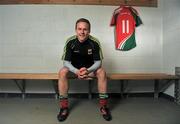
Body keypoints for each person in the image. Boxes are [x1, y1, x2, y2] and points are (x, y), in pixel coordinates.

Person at [57, 18, 112, 122]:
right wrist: (76, 71)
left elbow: (98, 63)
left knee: (102, 72)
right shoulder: (70, 42)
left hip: (90, 69)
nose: (82, 32)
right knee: (62, 71)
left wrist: (87, 70)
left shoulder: (94, 42)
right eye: (79, 29)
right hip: (74, 70)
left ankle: (104, 107)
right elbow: (66, 62)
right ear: (76, 30)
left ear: (89, 31)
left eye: (85, 29)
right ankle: (64, 108)